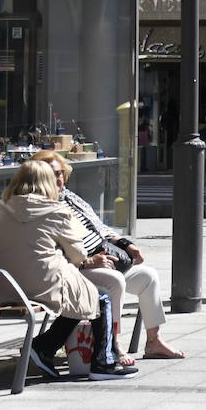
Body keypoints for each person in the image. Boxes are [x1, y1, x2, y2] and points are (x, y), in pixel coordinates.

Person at [0, 161, 136, 380]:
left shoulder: (0, 210)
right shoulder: (57, 211)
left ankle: (43, 348)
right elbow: (78, 255)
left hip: (4, 287)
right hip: (42, 286)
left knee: (80, 296)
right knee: (99, 297)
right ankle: (102, 364)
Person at [34, 150, 183, 363]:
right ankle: (113, 345)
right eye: (51, 174)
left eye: (59, 173)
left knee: (148, 277)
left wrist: (127, 246)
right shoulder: (41, 207)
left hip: (101, 259)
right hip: (76, 269)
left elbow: (100, 228)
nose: (57, 179)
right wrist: (89, 262)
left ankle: (154, 341)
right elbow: (51, 252)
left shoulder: (69, 197)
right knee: (115, 282)